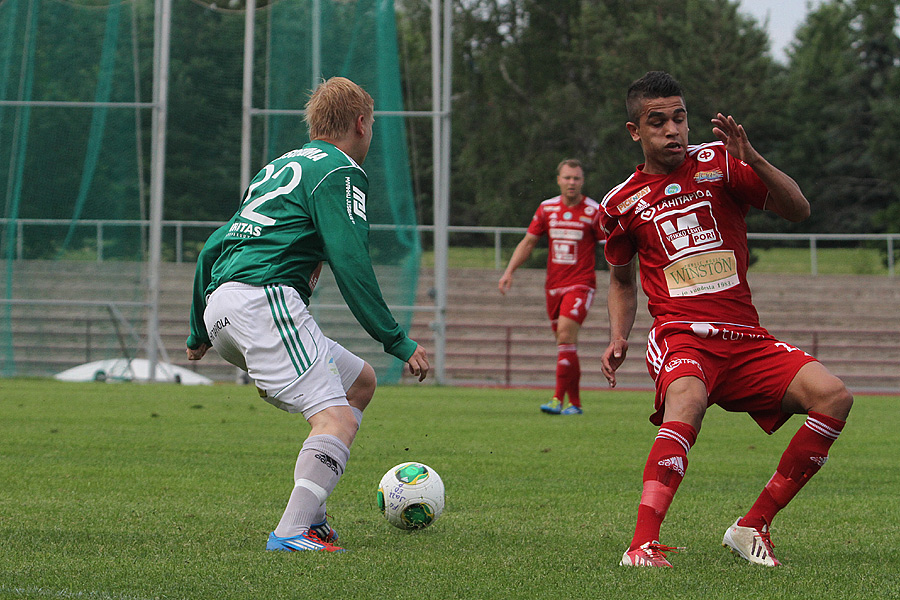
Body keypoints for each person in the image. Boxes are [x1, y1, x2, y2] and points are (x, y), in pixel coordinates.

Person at [600, 71, 852, 568]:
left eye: (680, 118)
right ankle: (642, 545)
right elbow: (623, 280)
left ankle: (751, 526)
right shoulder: (619, 204)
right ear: (635, 131)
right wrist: (617, 337)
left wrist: (752, 158)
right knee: (688, 400)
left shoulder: (719, 163)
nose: (673, 130)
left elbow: (798, 210)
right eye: (658, 122)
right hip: (680, 335)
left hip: (745, 337)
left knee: (834, 396)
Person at [185, 76, 429, 553]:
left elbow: (211, 248)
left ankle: (312, 520)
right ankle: (291, 531)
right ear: (361, 124)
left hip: (224, 307)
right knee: (334, 419)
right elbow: (350, 259)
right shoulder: (340, 169)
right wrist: (396, 340)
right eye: (372, 125)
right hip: (264, 300)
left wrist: (198, 331)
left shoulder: (276, 168)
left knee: (359, 382)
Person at [498, 159, 605, 415]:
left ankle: (557, 399)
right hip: (553, 286)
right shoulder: (547, 209)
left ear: (582, 181)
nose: (572, 183)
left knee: (566, 336)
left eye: (576, 178)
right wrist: (509, 271)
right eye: (567, 178)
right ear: (558, 179)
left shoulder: (593, 211)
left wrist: (621, 283)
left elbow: (610, 249)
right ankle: (576, 404)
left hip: (581, 285)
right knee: (566, 344)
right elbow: (528, 242)